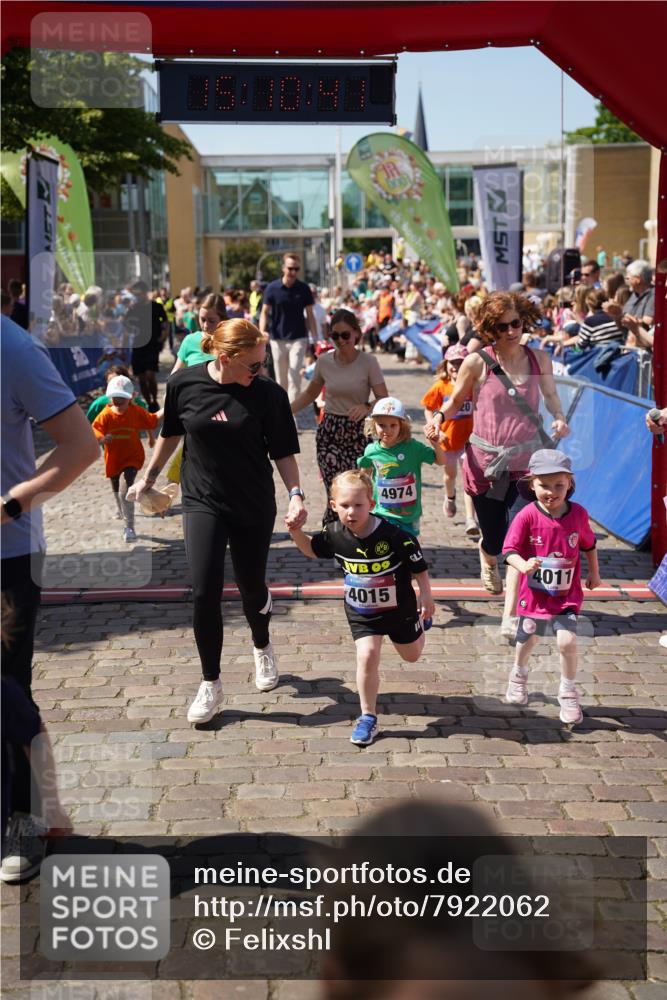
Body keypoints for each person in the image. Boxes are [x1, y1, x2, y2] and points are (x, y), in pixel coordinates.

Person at [131, 319, 307, 725]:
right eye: (253, 365)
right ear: (225, 358)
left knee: (251, 588)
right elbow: (171, 433)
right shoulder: (184, 384)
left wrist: (296, 494)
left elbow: (283, 452)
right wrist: (149, 477)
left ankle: (262, 645)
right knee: (204, 592)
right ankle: (211, 682)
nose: (259, 371)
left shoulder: (269, 395)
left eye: (262, 363)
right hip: (201, 500)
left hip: (252, 502)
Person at [1, 315, 98, 881]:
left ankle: (25, 817)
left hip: (6, 555)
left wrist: (12, 504)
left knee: (6, 691)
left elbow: (81, 446)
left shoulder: (14, 349)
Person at [426, 292, 570, 639]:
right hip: (485, 465)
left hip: (526, 464)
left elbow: (551, 395)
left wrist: (559, 417)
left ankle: (511, 614)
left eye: (515, 324)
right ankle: (487, 554)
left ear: (524, 321)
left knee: (520, 541)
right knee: (494, 537)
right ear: (491, 329)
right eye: (502, 326)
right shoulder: (477, 362)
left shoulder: (538, 358)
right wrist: (439, 419)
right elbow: (455, 399)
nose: (511, 331)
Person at [288, 469, 434, 746]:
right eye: (344, 505)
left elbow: (419, 567)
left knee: (412, 656)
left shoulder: (395, 536)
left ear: (372, 504)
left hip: (399, 610)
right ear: (333, 506)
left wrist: (426, 597)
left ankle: (420, 625)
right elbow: (311, 549)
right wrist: (295, 531)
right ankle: (368, 716)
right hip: (362, 611)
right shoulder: (333, 533)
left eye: (358, 505)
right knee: (367, 655)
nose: (351, 511)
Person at [502, 450, 601, 724]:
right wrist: (523, 565)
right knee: (528, 638)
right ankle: (518, 674)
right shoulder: (526, 515)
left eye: (559, 485)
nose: (551, 492)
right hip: (534, 595)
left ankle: (568, 692)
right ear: (532, 484)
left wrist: (594, 572)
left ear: (570, 484)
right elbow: (509, 550)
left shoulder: (578, 514)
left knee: (567, 641)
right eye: (544, 485)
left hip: (566, 596)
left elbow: (589, 544)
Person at [291, 309, 388, 524]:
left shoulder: (368, 362)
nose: (340, 340)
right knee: (335, 492)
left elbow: (383, 398)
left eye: (345, 335)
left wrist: (367, 406)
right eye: (335, 336)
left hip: (358, 433)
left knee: (357, 493)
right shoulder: (324, 361)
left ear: (356, 333)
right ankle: (334, 537)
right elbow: (310, 394)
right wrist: (286, 411)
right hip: (330, 432)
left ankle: (358, 535)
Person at [359, 396, 446, 537]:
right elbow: (364, 477)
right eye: (382, 425)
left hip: (409, 516)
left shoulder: (413, 447)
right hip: (382, 512)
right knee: (384, 546)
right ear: (374, 425)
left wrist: (435, 444)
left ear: (402, 425)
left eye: (393, 425)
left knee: (407, 546)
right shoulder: (371, 450)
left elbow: (441, 461)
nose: (387, 430)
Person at [92, 375, 163, 542]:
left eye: (122, 399)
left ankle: (129, 527)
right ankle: (122, 510)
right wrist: (101, 438)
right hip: (113, 460)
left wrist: (168, 406)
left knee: (125, 489)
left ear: (130, 398)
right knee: (117, 490)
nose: (117, 401)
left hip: (133, 458)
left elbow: (151, 420)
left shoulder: (135, 411)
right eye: (114, 398)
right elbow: (95, 428)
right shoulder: (105, 414)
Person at [421, 344, 479, 536]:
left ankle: (470, 519)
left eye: (460, 363)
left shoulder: (472, 385)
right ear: (445, 365)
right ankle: (450, 497)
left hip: (468, 442)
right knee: (450, 475)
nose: (455, 367)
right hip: (448, 441)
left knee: (469, 479)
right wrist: (434, 426)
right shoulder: (441, 386)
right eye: (452, 363)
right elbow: (429, 408)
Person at [259, 252, 317, 400]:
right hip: (277, 339)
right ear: (283, 268)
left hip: (299, 338)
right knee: (281, 378)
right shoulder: (272, 288)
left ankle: (292, 410)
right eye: (290, 268)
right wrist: (262, 332)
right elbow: (264, 312)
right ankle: (282, 408)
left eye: (297, 269)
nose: (293, 272)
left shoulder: (304, 288)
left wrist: (315, 337)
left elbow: (310, 314)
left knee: (294, 376)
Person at [124, 279, 169, 411]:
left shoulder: (156, 306)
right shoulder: (133, 308)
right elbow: (126, 325)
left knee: (150, 374)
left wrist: (164, 335)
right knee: (141, 378)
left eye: (139, 294)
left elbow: (165, 322)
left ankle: (155, 400)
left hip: (152, 345)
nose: (137, 297)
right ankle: (149, 403)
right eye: (135, 294)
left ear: (145, 293)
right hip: (138, 346)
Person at [171, 293, 227, 373]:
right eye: (202, 319)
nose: (206, 325)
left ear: (222, 319)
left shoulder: (230, 341)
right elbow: (175, 373)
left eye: (211, 321)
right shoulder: (190, 340)